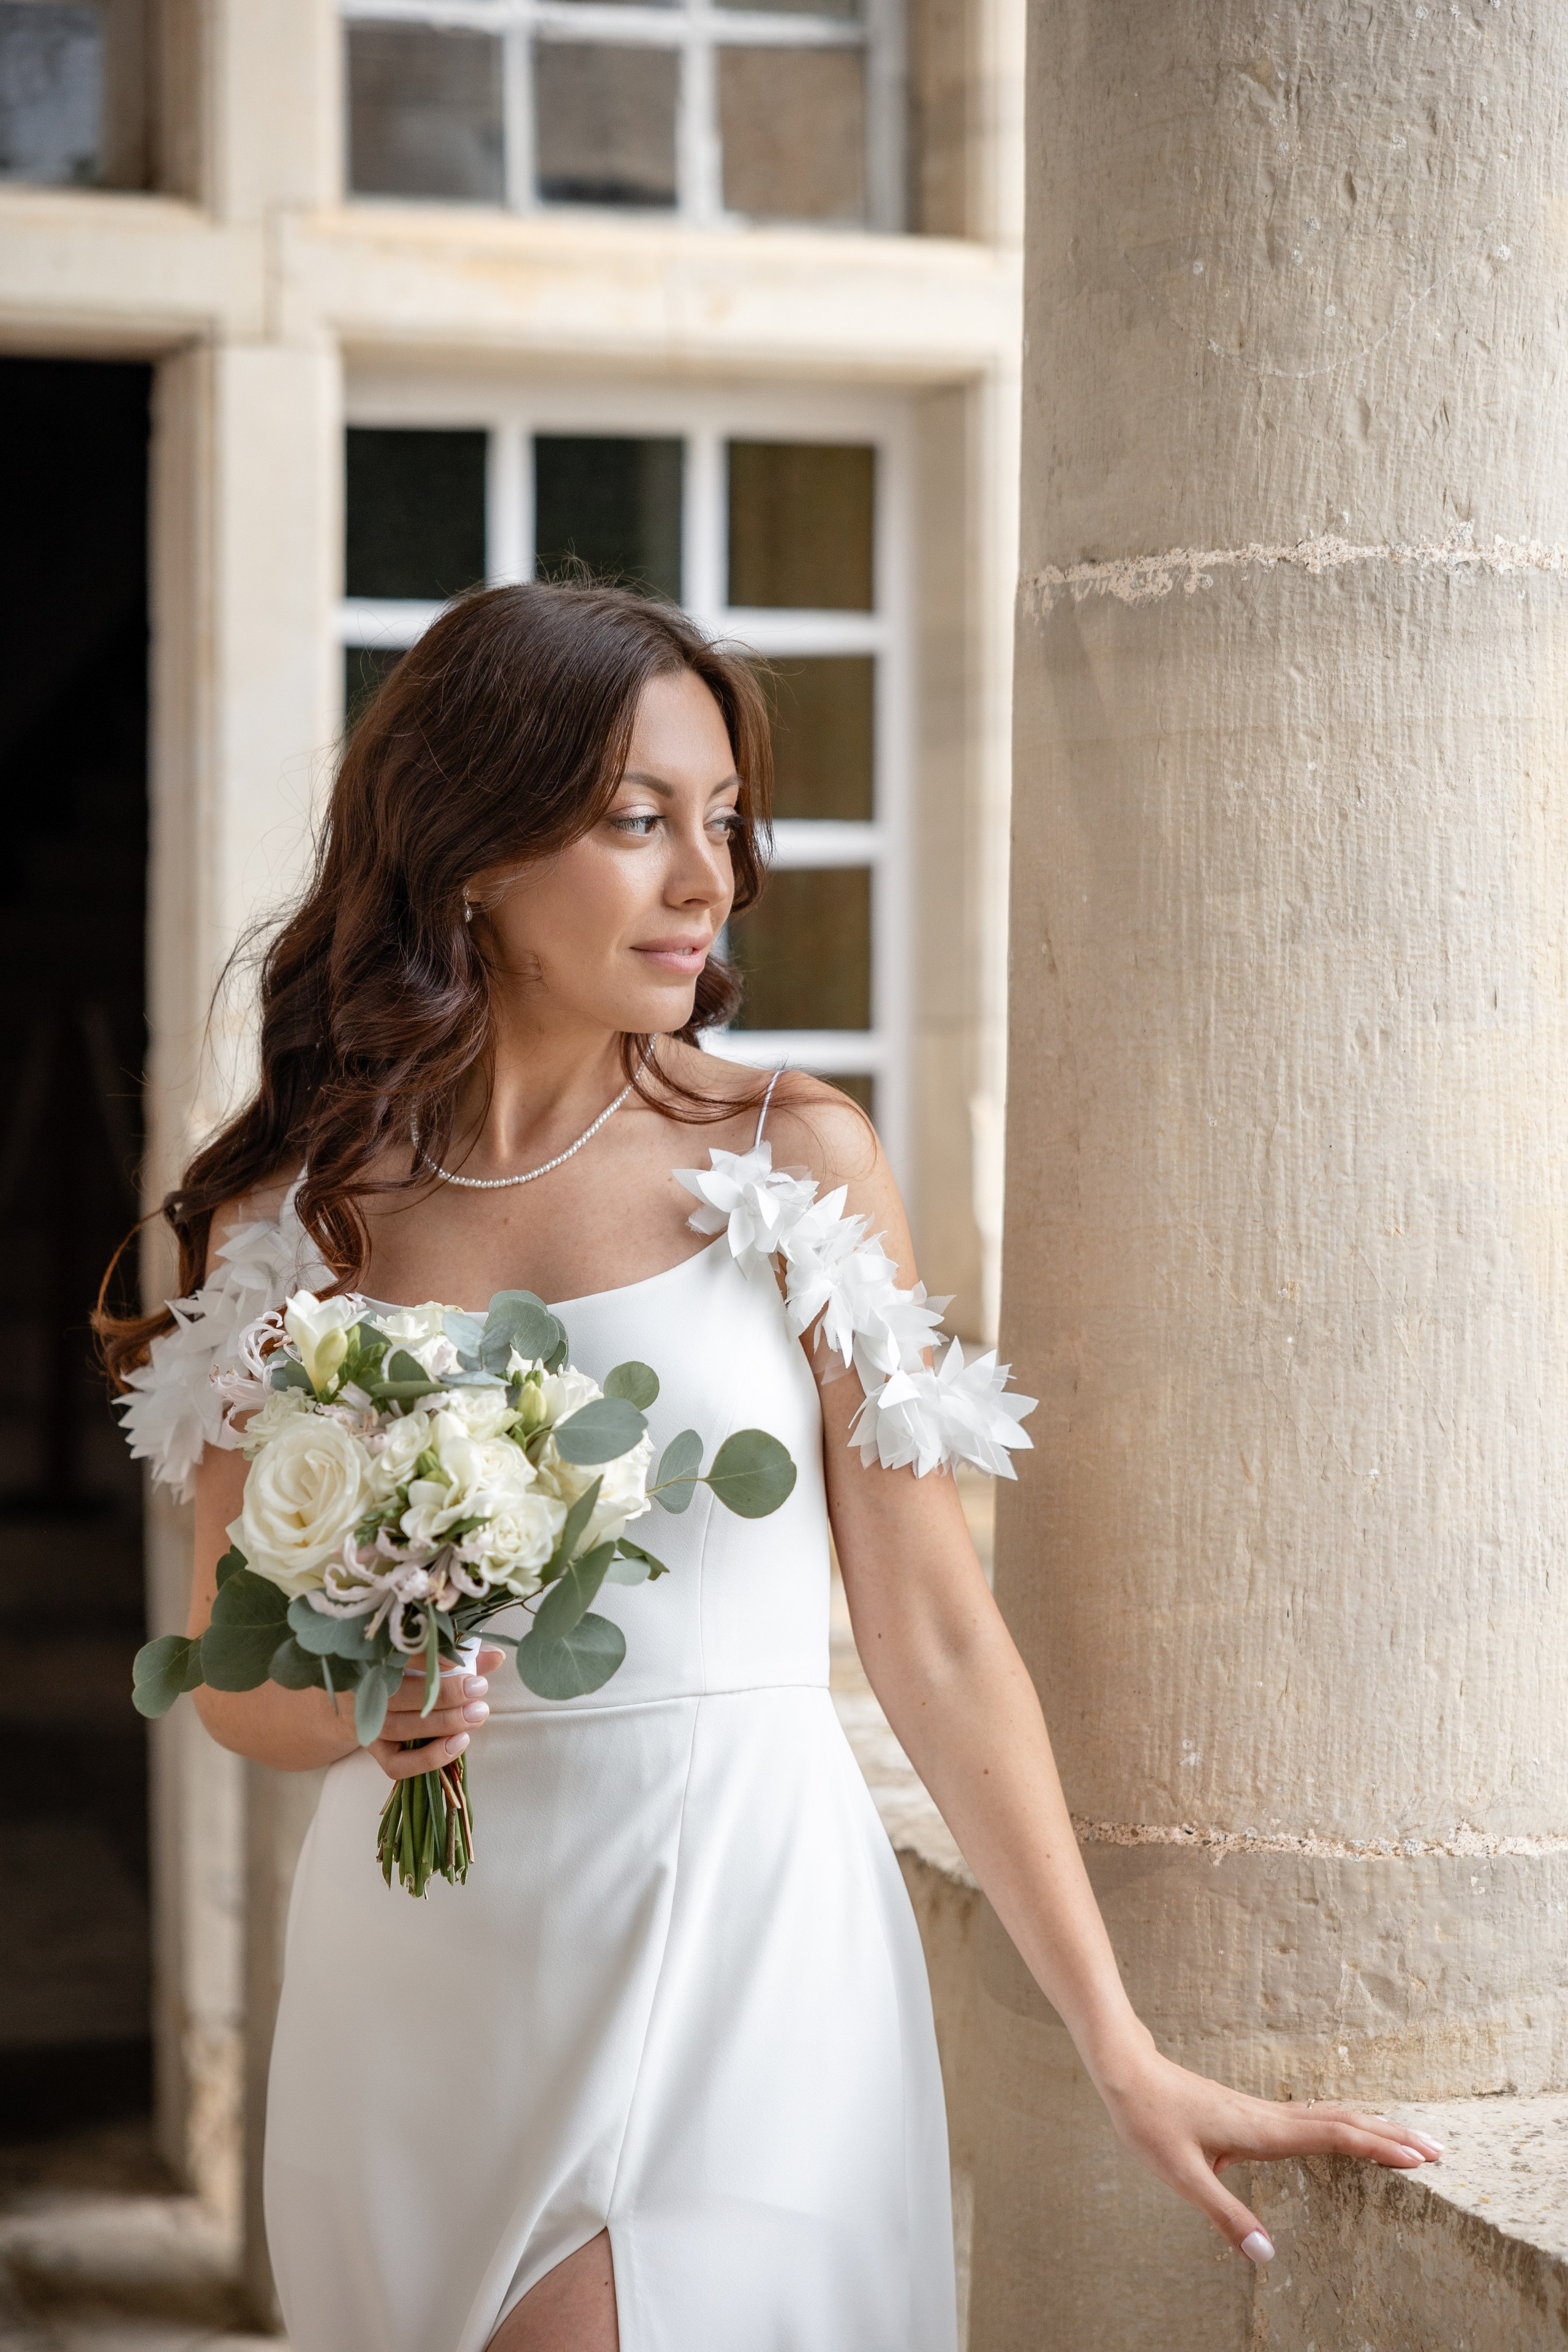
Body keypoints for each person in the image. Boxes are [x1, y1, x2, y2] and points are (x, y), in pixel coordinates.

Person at [100, 583, 1438, 2352]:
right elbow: (231, 1669)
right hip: (425, 1975)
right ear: (472, 856)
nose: (706, 880)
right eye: (636, 821)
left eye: (720, 822)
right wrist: (378, 1714)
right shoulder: (287, 1228)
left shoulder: (791, 1157)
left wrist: (1120, 2048)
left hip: (742, 1934)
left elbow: (937, 1634)